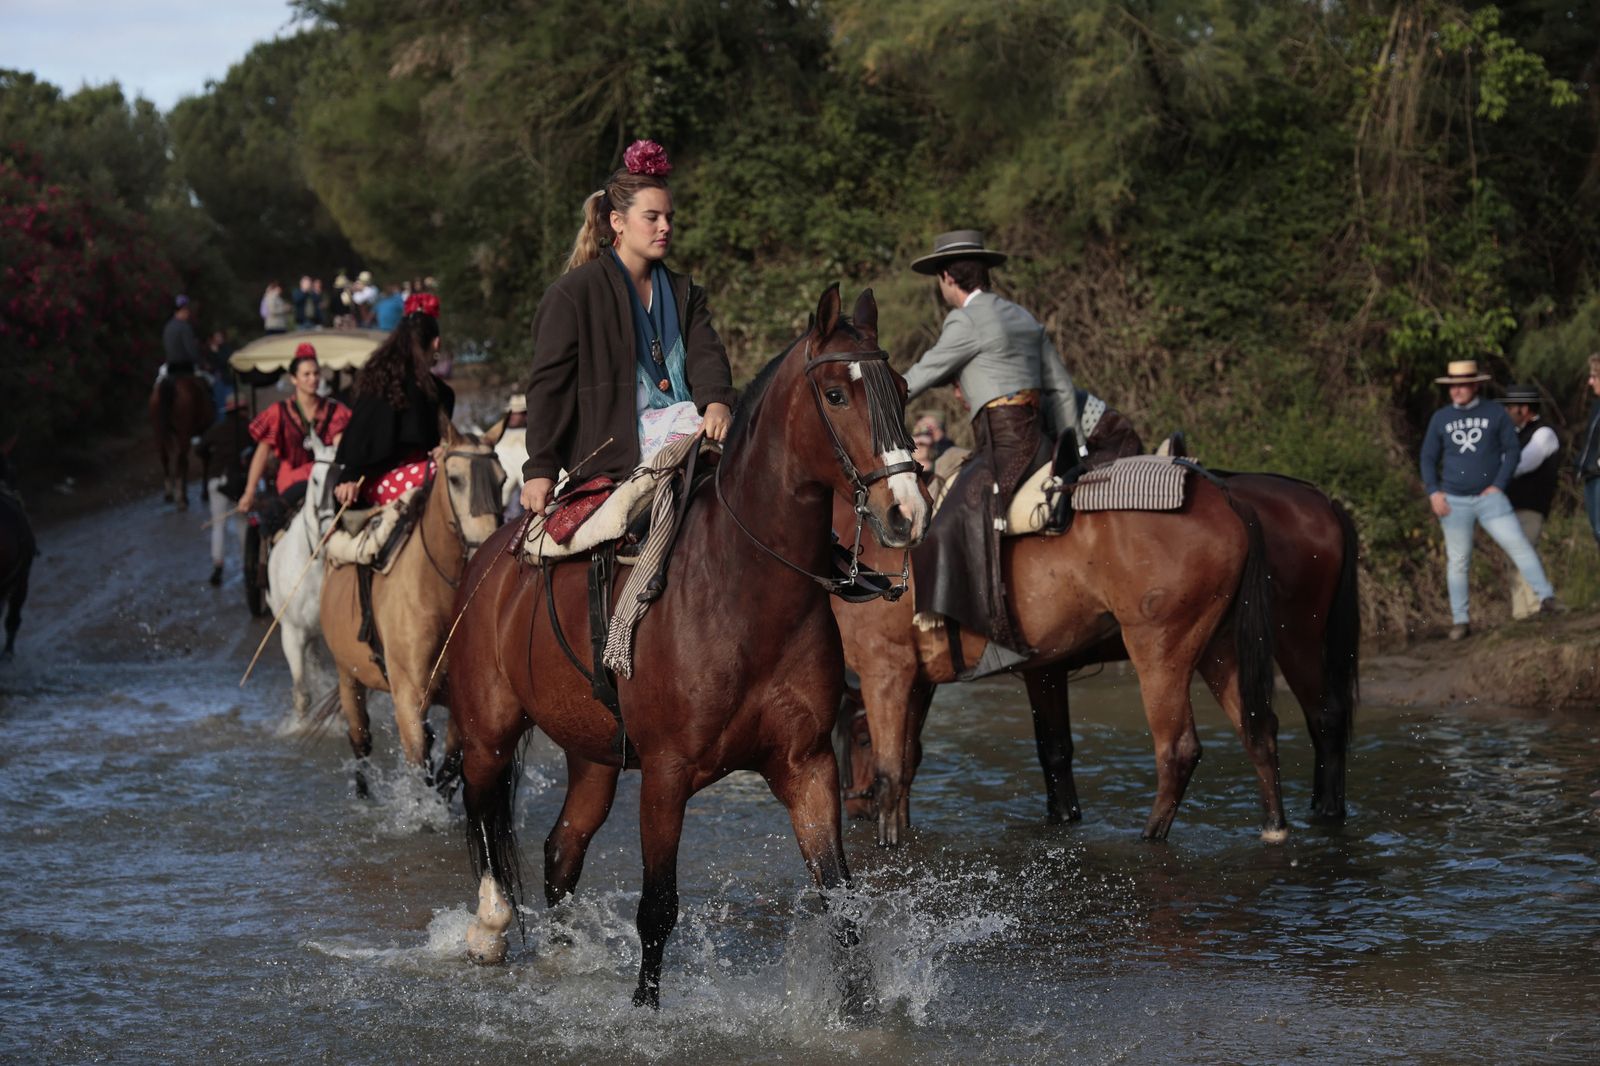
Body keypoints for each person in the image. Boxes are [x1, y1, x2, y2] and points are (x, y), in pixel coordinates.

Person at [519, 139, 735, 516]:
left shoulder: (685, 292)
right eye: (652, 217)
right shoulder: (573, 294)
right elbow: (548, 388)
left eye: (669, 217)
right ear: (617, 221)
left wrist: (717, 400)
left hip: (688, 431)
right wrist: (540, 468)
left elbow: (706, 353)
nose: (665, 227)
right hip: (615, 451)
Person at [900, 230, 1082, 657]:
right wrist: (1075, 449)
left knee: (939, 524)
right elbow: (1061, 391)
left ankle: (975, 635)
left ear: (947, 277)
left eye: (939, 280)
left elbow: (923, 374)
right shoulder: (1023, 316)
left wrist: (872, 397)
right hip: (1041, 441)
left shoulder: (965, 320)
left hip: (1002, 445)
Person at [1420, 361, 1561, 641]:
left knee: (1519, 546)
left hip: (1490, 499)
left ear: (1475, 385)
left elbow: (1511, 452)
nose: (1457, 390)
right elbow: (1427, 457)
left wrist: (1498, 484)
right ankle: (1461, 621)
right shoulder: (1441, 418)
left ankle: (1546, 598)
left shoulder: (1495, 413)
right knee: (1458, 561)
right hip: (1453, 501)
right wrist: (1433, 492)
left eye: (1462, 385)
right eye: (1453, 386)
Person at [333, 292, 455, 507]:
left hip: (393, 478)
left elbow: (359, 443)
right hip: (384, 483)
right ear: (436, 343)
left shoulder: (377, 382)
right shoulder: (439, 393)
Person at [238, 343, 352, 534]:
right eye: (306, 374)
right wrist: (249, 493)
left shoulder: (334, 410)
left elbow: (341, 447)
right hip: (291, 482)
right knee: (270, 524)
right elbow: (262, 454)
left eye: (316, 373)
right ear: (294, 379)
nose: (313, 379)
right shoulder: (278, 413)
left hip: (326, 481)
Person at [1499, 385, 1561, 620]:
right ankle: (1521, 612)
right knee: (1513, 558)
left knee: (1524, 552)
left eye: (1510, 407)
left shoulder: (1544, 434)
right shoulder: (1517, 435)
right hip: (1513, 506)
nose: (1507, 411)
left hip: (1532, 505)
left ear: (1524, 409)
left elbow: (1523, 463)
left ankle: (1536, 607)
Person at [197, 394, 253, 586]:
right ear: (242, 411)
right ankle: (247, 564)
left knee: (218, 525)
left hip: (216, 480)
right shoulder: (248, 429)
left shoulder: (217, 429)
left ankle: (217, 565)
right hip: (237, 482)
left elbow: (200, 448)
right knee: (242, 523)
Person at [1577, 354, 1600, 550]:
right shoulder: (1596, 406)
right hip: (1592, 476)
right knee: (1597, 532)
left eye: (1594, 376)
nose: (1590, 381)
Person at [493, 393, 529, 519]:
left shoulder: (530, 439)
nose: (512, 416)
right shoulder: (501, 440)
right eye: (511, 413)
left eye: (516, 413)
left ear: (526, 415)